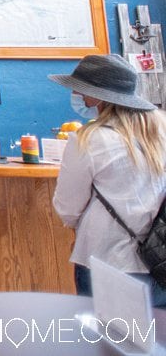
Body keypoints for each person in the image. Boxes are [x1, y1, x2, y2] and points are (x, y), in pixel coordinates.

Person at [50, 53, 166, 305]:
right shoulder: (161, 131)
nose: (79, 96)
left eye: (82, 90)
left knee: (106, 341)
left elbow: (67, 209)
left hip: (106, 261)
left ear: (98, 95)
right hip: (160, 261)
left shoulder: (90, 139)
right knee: (158, 339)